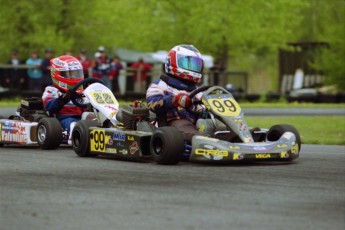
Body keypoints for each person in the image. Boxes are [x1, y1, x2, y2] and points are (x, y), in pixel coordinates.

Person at [146, 44, 205, 143]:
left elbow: (201, 109)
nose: (192, 68)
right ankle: (207, 141)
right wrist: (175, 100)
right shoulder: (161, 85)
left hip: (197, 124)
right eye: (187, 63)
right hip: (172, 124)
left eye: (195, 64)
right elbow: (153, 103)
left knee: (221, 128)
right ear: (173, 62)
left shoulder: (197, 91)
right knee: (190, 129)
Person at [42, 55, 90, 143]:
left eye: (76, 73)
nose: (73, 77)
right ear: (58, 74)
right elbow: (48, 107)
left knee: (93, 118)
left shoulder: (82, 91)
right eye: (69, 74)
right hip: (63, 119)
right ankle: (79, 139)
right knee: (73, 124)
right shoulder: (51, 90)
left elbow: (86, 107)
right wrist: (63, 99)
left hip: (81, 117)